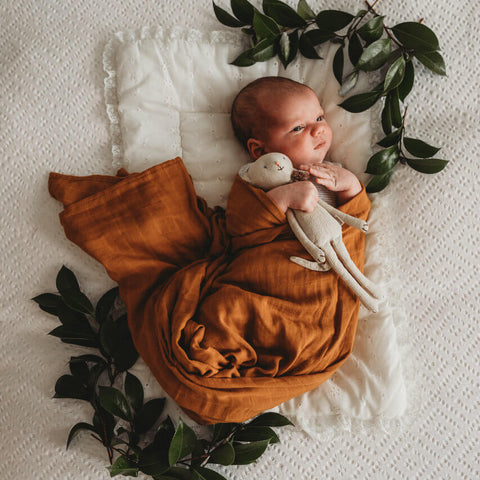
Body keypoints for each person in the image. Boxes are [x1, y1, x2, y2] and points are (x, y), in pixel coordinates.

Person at [231, 76, 363, 211]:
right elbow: (239, 224)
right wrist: (279, 200)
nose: (319, 129)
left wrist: (351, 188)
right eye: (298, 128)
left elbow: (356, 225)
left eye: (319, 118)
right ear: (261, 151)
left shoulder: (333, 174)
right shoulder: (253, 178)